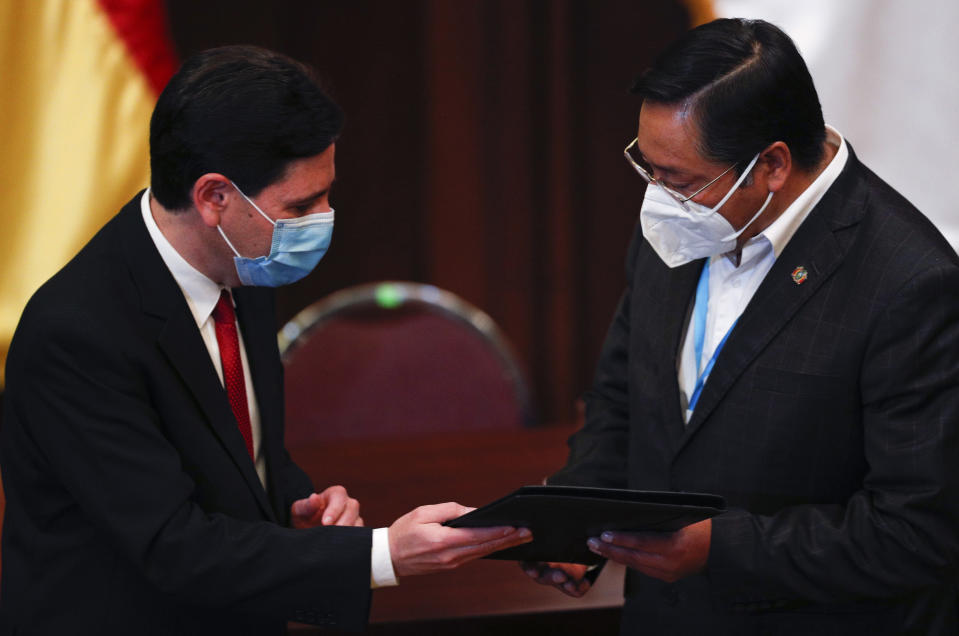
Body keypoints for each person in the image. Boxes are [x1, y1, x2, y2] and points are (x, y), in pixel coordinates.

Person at [0, 45, 531, 635]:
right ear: (214, 198)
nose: (322, 218)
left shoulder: (243, 262)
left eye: (326, 193)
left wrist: (294, 505)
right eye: (301, 204)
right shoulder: (78, 334)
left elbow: (240, 449)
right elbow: (174, 548)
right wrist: (384, 555)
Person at [522, 17, 959, 635]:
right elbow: (625, 400)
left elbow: (916, 530)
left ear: (772, 165)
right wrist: (574, 521)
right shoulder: (683, 218)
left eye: (677, 178)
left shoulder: (911, 284)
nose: (656, 196)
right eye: (648, 168)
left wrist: (720, 550)